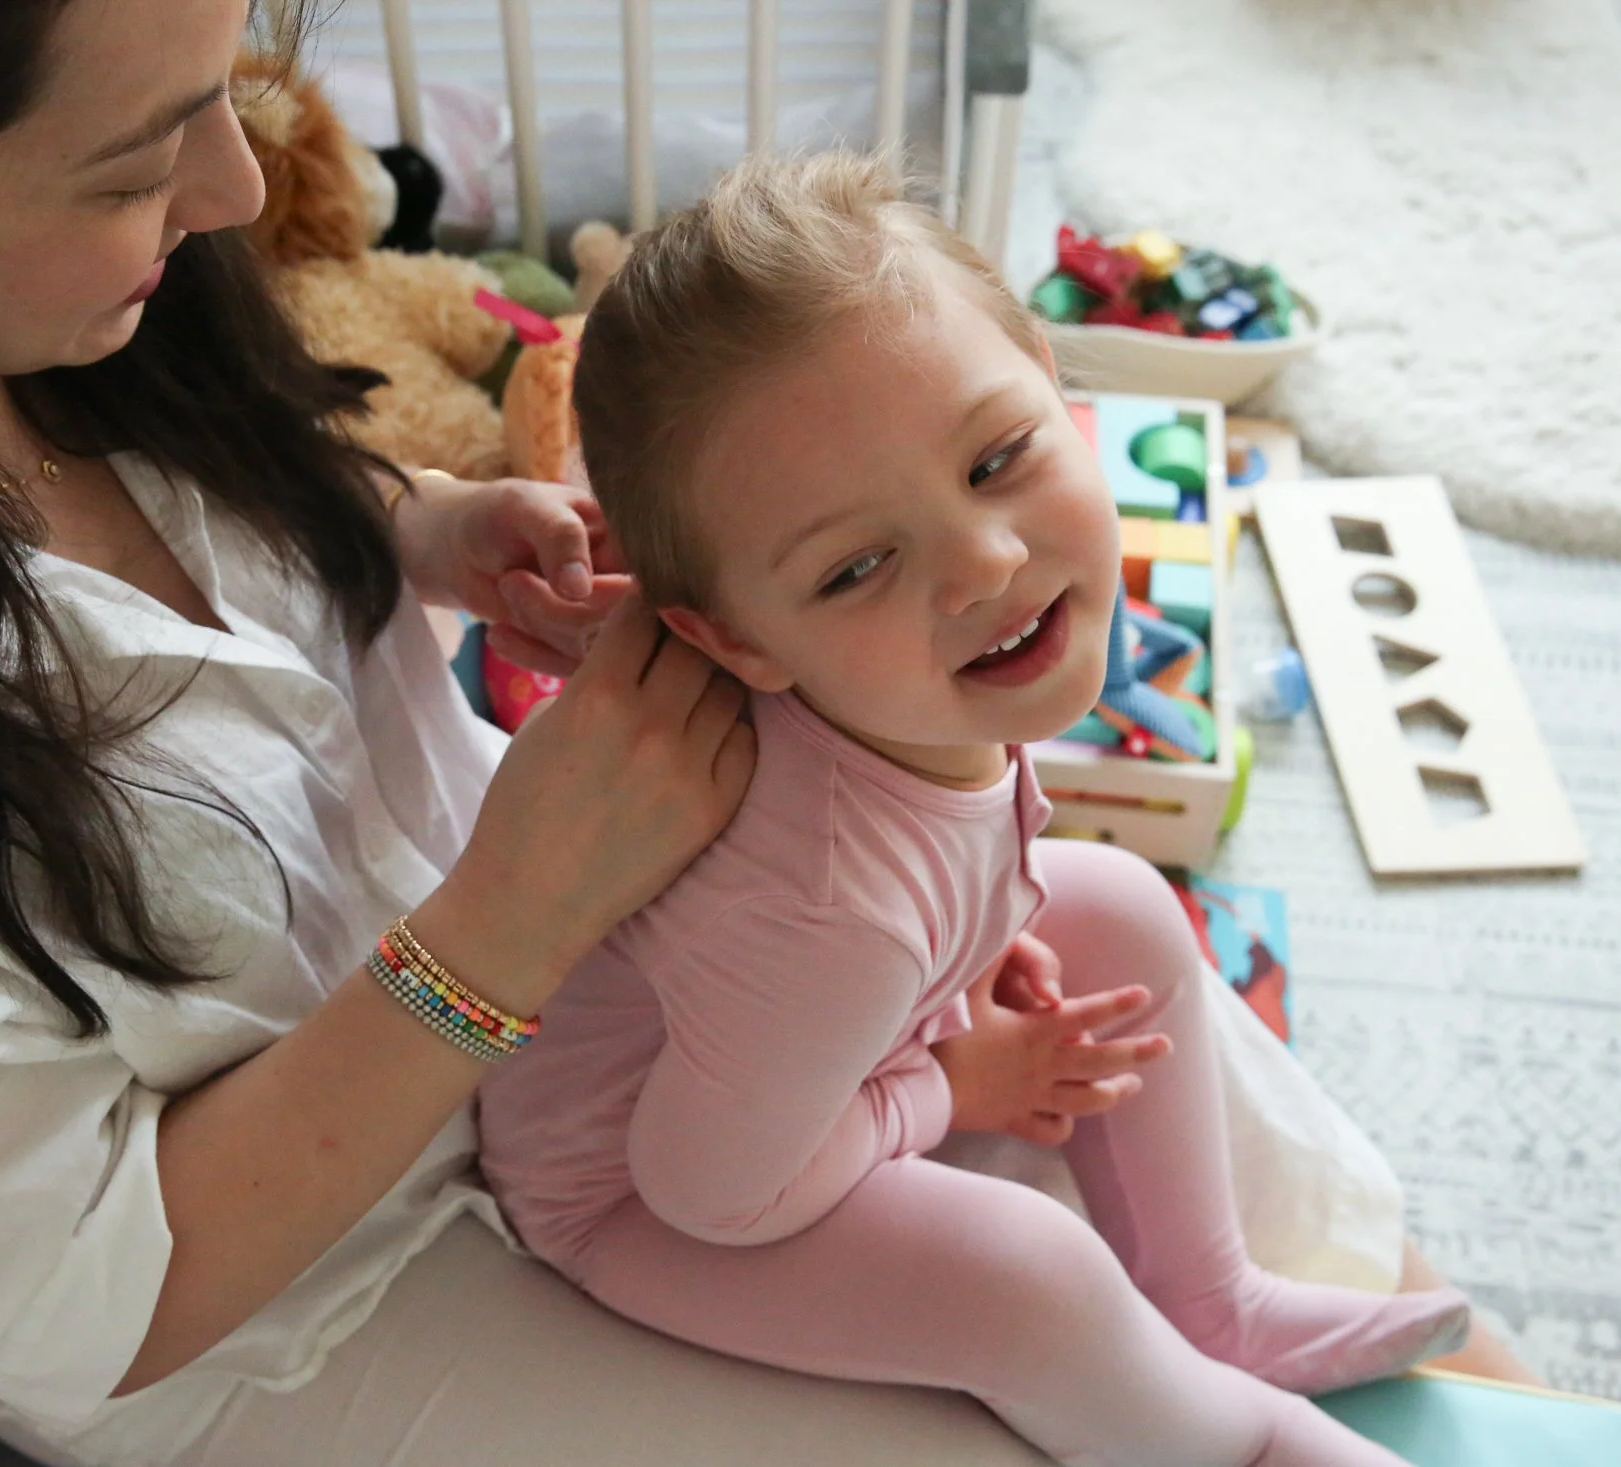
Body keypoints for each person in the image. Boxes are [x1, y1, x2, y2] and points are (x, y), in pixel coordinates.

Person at [0, 1, 1509, 1464]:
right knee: (1025, 1332)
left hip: (594, 986)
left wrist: (431, 537)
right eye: (129, 158)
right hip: (306, 1304)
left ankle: (1313, 1331)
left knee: (1153, 1060)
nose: (233, 184)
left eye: (227, 85)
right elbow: (76, 1288)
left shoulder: (71, 318)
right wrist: (510, 931)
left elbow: (231, 514)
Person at [477, 154, 1469, 1467]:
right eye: (857, 566)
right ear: (739, 638)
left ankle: (1208, 1293)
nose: (988, 563)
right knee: (1027, 1274)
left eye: (998, 457)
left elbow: (930, 888)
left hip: (795, 1046)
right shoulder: (832, 919)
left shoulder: (879, 724)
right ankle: (1234, 1443)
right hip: (640, 1193)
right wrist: (954, 1077)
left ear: (1060, 395)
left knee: (1115, 898)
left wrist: (962, 965)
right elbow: (716, 1193)